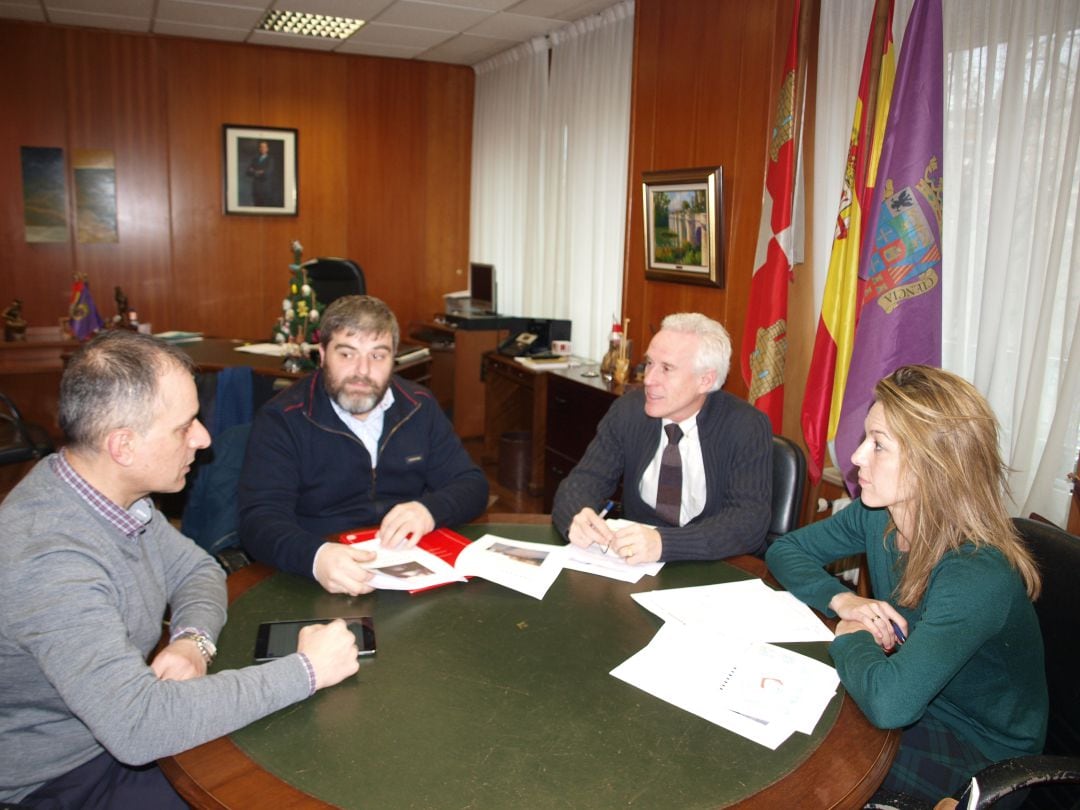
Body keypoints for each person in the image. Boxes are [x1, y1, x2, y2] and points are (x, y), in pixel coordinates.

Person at [0, 331, 361, 808]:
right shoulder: (52, 563)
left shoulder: (108, 494)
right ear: (123, 446)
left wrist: (193, 641)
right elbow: (139, 726)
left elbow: (198, 570)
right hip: (64, 779)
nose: (205, 437)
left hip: (117, 736)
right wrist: (307, 671)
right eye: (185, 425)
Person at [766, 365, 1046, 805]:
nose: (857, 457)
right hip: (917, 695)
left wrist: (851, 633)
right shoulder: (880, 513)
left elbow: (892, 704)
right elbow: (785, 552)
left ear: (935, 467)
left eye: (878, 445)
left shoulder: (976, 572)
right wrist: (845, 600)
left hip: (979, 750)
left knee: (805, 760)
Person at [238, 294, 489, 596]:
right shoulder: (283, 419)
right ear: (322, 354)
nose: (362, 371)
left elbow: (472, 484)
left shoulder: (418, 406)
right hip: (318, 574)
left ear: (394, 358)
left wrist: (428, 510)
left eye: (377, 355)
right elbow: (259, 521)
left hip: (408, 569)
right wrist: (315, 557)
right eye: (346, 354)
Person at [552, 312, 772, 564]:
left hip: (714, 568)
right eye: (649, 364)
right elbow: (584, 481)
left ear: (706, 380)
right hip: (634, 567)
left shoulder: (745, 426)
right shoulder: (629, 411)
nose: (649, 379)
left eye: (666, 369)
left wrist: (665, 544)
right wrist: (576, 517)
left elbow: (748, 522)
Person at [246, 139, 276, 206]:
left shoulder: (270, 159)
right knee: (256, 205)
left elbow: (267, 173)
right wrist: (259, 171)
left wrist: (254, 171)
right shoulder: (255, 159)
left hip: (265, 188)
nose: (262, 149)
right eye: (261, 147)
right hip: (256, 188)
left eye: (264, 147)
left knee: (265, 206)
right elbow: (248, 172)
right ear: (259, 149)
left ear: (267, 149)